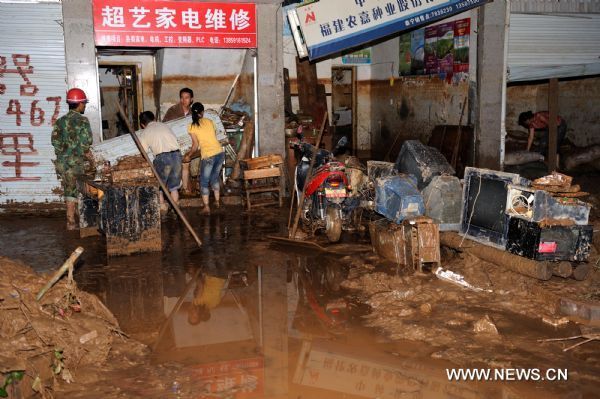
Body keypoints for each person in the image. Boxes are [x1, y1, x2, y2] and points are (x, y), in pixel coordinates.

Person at [51, 88, 93, 230]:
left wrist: (63, 153)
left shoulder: (60, 121)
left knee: (69, 189)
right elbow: (87, 142)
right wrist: (83, 152)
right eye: (84, 103)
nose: (84, 106)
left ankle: (72, 221)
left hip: (63, 162)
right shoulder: (83, 121)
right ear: (79, 103)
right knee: (80, 190)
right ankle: (74, 222)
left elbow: (55, 142)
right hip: (76, 163)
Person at [184, 102, 224, 214]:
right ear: (202, 112)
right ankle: (217, 202)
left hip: (208, 155)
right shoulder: (210, 122)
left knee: (204, 182)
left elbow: (195, 145)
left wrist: (189, 155)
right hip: (219, 153)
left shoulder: (192, 126)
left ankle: (206, 207)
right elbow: (213, 136)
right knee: (215, 178)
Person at [138, 111, 183, 212]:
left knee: (159, 187)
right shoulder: (164, 126)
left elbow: (144, 153)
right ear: (154, 119)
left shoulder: (145, 132)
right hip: (176, 155)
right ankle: (175, 210)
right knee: (174, 187)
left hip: (162, 158)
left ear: (142, 124)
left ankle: (162, 208)